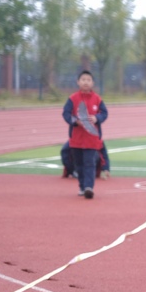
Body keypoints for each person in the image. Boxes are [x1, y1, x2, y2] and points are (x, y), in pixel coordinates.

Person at [61, 70, 108, 199]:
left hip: (92, 139)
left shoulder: (97, 99)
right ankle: (82, 186)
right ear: (78, 82)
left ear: (92, 83)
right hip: (76, 139)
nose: (86, 82)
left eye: (88, 80)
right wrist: (75, 121)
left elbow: (104, 113)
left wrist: (96, 118)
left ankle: (89, 187)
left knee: (89, 163)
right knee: (79, 164)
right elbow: (66, 114)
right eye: (83, 80)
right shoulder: (72, 99)